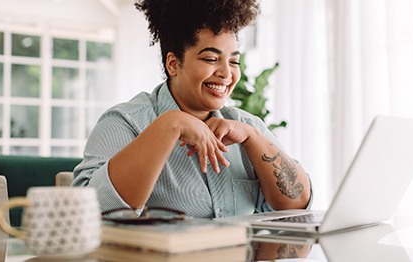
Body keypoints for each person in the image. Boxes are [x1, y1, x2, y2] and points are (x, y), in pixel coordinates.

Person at [73, 0, 312, 218]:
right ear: (173, 64)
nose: (227, 74)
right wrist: (170, 125)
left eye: (234, 61)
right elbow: (87, 212)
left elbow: (297, 206)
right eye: (210, 59)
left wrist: (252, 139)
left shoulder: (247, 128)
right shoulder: (124, 122)